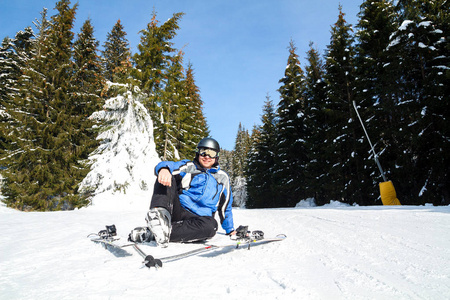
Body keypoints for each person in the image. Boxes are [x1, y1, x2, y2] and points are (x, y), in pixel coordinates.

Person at [129, 137, 235, 247]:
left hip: (199, 220)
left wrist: (230, 229)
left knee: (211, 226)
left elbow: (225, 207)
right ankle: (159, 215)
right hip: (178, 210)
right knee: (168, 175)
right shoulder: (189, 167)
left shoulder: (222, 178)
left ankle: (154, 233)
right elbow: (170, 165)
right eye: (203, 152)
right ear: (198, 153)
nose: (207, 156)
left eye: (211, 153)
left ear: (216, 156)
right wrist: (164, 169)